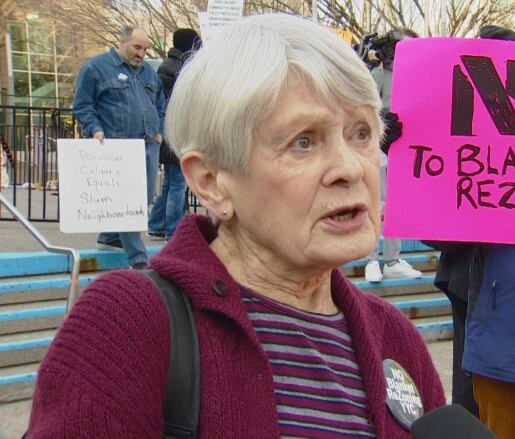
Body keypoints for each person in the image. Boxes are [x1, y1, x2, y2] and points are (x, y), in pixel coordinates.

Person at [26, 14, 445, 437]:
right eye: (303, 141)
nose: (350, 168)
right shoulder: (127, 324)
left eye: (361, 133)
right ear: (211, 183)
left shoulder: (396, 338)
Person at [423, 25, 515, 419]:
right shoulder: (454, 131)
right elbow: (428, 226)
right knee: (471, 397)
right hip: (472, 280)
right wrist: (401, 153)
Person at [72, 26, 165, 270]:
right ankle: (137, 257)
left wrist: (160, 131)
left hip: (147, 144)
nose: (142, 54)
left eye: (145, 49)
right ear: (122, 41)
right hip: (117, 146)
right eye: (137, 47)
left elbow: (160, 103)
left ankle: (110, 237)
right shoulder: (96, 67)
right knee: (129, 200)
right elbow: (83, 104)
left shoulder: (148, 73)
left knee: (143, 198)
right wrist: (94, 128)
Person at [364, 28, 424, 283]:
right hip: (379, 147)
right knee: (377, 202)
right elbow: (364, 110)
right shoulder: (376, 77)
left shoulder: (415, 78)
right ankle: (372, 259)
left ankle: (393, 259)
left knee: (396, 204)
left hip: (404, 147)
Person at [147, 28, 200, 242]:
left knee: (171, 181)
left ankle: (157, 224)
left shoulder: (168, 66)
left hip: (168, 131)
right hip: (177, 131)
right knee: (178, 183)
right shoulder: (179, 69)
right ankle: (173, 229)